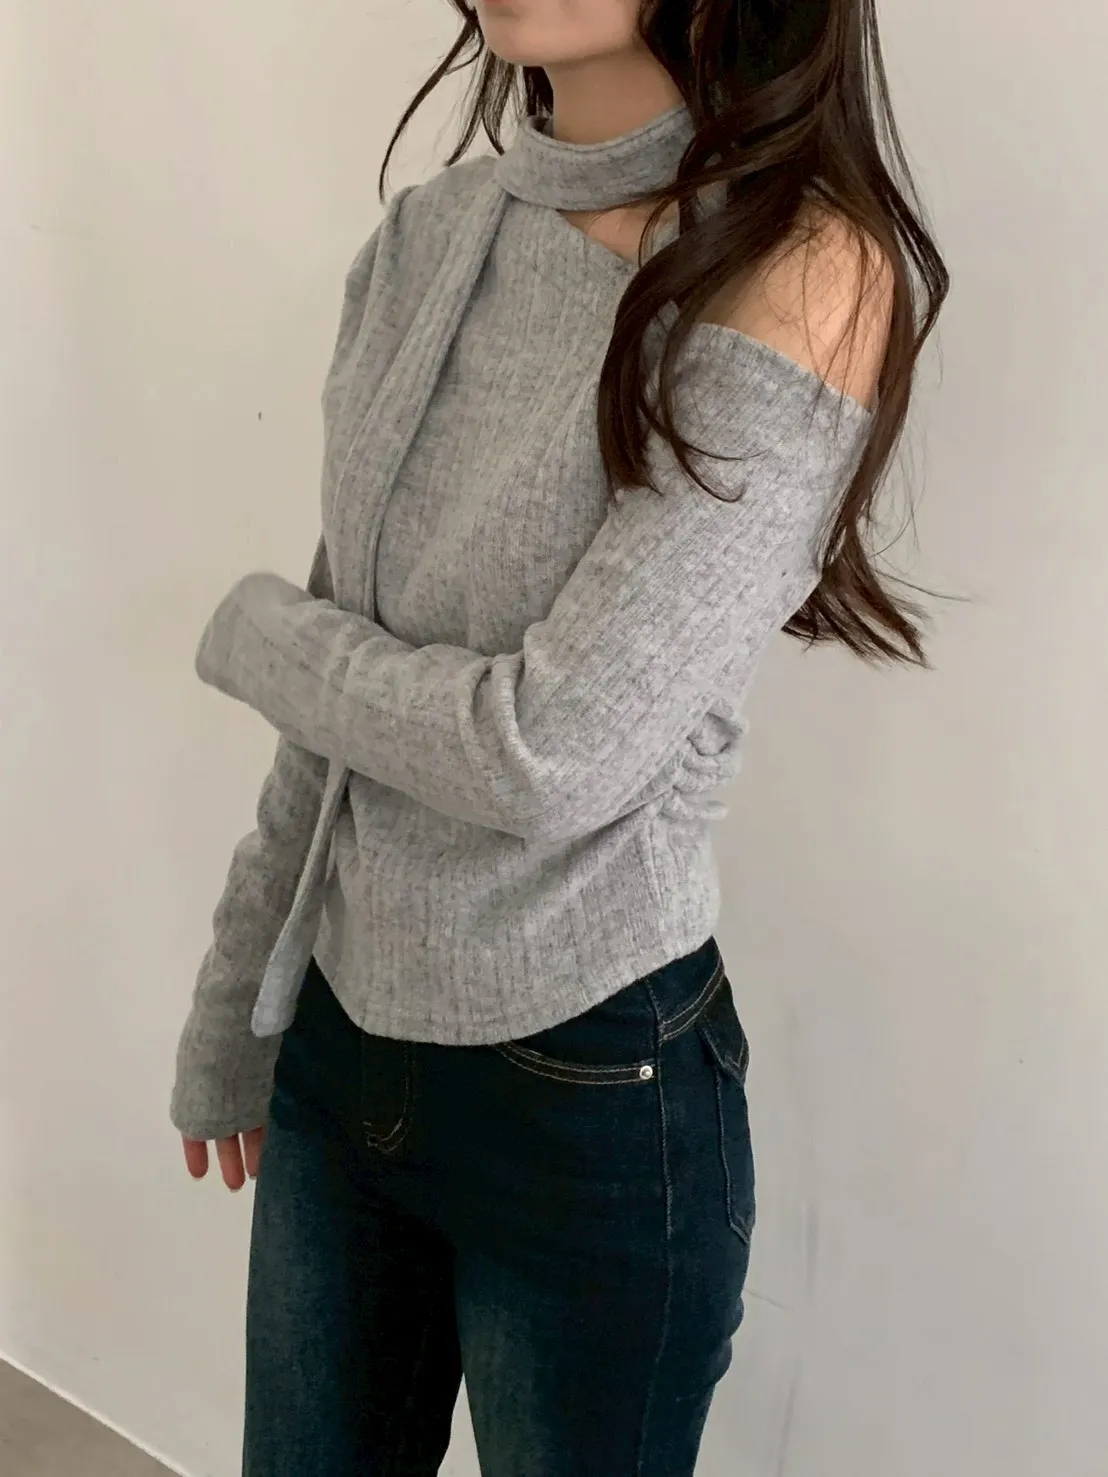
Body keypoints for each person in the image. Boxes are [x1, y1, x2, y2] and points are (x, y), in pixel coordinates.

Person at [170, 2, 948, 1472]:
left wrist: (265, 637)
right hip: (338, 1042)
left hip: (587, 1088)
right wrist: (234, 999)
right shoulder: (425, 239)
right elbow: (344, 718)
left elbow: (551, 754)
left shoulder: (801, 267)